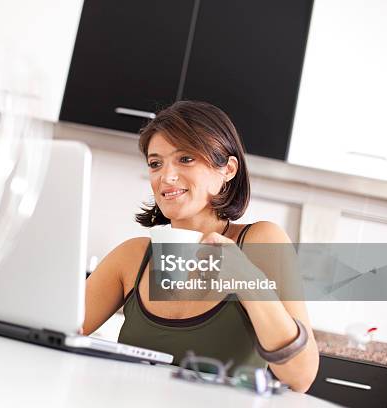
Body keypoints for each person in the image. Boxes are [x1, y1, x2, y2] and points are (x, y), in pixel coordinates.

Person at [83, 101, 319, 392]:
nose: (166, 177)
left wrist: (247, 279)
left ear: (228, 169)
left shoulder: (261, 241)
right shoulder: (132, 257)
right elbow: (54, 326)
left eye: (185, 159)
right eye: (156, 163)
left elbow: (301, 377)